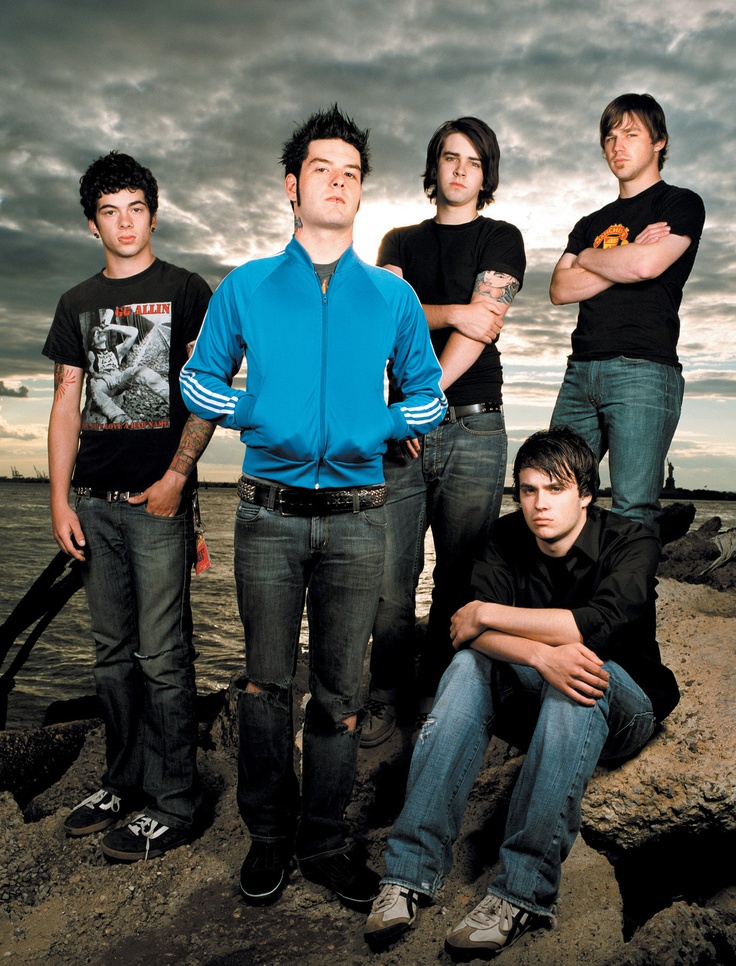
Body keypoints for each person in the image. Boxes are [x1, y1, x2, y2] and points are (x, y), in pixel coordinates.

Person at [179, 105, 446, 909]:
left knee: (340, 692)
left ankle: (326, 842)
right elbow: (196, 382)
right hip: (266, 513)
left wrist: (378, 422)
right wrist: (256, 412)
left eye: (352, 173)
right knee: (264, 684)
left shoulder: (390, 296)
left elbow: (430, 401)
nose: (338, 182)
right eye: (323, 170)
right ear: (293, 187)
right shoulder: (247, 286)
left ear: (361, 193)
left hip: (362, 514)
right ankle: (268, 836)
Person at [364, 427, 679, 959]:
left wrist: (489, 614)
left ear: (585, 493)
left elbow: (595, 623)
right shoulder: (502, 538)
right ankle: (408, 873)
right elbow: (465, 634)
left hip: (623, 704)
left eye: (555, 489)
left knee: (581, 671)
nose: (539, 504)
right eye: (528, 490)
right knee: (468, 666)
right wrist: (537, 654)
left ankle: (521, 893)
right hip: (532, 692)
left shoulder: (632, 540)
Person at [44, 151, 214, 861]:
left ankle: (176, 799)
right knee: (111, 657)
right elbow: (64, 402)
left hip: (157, 505)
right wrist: (59, 501)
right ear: (93, 224)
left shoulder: (186, 288)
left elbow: (208, 389)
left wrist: (179, 476)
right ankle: (123, 782)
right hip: (95, 502)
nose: (124, 222)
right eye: (109, 211)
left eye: (135, 208)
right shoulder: (77, 303)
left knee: (162, 657)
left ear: (152, 212)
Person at [361, 117, 526, 748]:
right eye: (449, 158)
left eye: (474, 162)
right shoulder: (397, 240)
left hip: (475, 428)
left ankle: (444, 698)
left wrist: (420, 400)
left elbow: (484, 326)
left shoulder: (501, 237)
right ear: (433, 168)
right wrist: (455, 309)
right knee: (388, 582)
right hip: (400, 436)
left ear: (487, 175)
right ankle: (384, 697)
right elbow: (383, 327)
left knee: (462, 576)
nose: (460, 170)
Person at [549, 92, 705, 536]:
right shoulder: (590, 222)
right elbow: (560, 289)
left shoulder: (680, 204)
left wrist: (587, 259)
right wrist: (621, 252)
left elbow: (646, 266)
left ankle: (629, 606)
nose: (617, 145)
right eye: (610, 136)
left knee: (632, 507)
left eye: (631, 134)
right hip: (579, 373)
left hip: (643, 370)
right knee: (557, 491)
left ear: (659, 141)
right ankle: (572, 603)